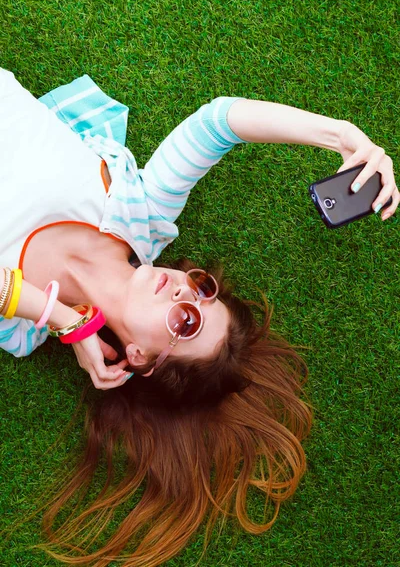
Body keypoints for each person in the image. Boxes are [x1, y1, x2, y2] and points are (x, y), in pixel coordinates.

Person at [0, 67, 398, 566]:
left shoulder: (19, 325)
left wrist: (63, 318)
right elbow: (219, 122)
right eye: (203, 291)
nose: (184, 291)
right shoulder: (144, 211)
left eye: (185, 323)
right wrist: (341, 134)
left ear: (141, 358)